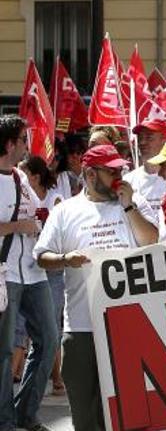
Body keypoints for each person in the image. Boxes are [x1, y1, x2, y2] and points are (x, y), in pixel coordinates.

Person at [34, 144, 160, 430]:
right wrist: (67, 259)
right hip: (82, 327)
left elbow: (151, 242)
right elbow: (41, 256)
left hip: (127, 322)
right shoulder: (66, 211)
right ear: (90, 175)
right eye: (111, 171)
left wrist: (129, 206)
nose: (119, 176)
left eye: (120, 170)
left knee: (127, 412)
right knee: (85, 412)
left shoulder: (133, 202)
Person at [0, 116, 58, 431]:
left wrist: (45, 220)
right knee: (4, 350)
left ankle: (26, 412)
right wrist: (15, 227)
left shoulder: (22, 177)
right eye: (24, 139)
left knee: (49, 339)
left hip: (33, 272)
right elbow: (18, 222)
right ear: (10, 144)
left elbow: (36, 211)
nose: (27, 145)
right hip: (4, 273)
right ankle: (5, 419)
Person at [18, 156, 65, 397]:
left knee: (51, 329)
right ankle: (16, 382)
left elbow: (59, 235)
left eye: (24, 172)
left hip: (51, 272)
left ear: (35, 176)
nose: (19, 175)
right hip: (24, 269)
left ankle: (57, 378)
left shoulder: (55, 200)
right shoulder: (19, 195)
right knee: (19, 331)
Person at [124, 118, 166, 215]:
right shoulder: (128, 181)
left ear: (165, 140)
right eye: (140, 138)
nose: (142, 143)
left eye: (149, 138)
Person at [54, 133, 87, 199]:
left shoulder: (88, 173)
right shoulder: (59, 176)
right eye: (71, 151)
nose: (75, 155)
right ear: (65, 154)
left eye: (78, 152)